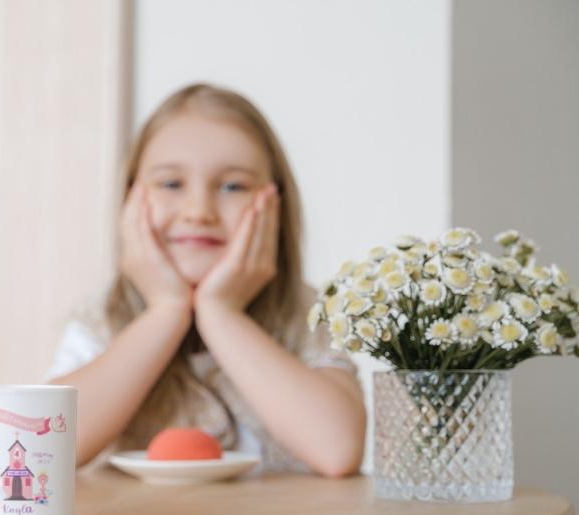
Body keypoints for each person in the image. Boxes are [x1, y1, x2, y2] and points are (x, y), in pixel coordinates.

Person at [44, 83, 366, 477]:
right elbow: (43, 447)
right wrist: (166, 311)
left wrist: (221, 313)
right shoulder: (101, 321)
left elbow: (337, 449)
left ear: (275, 204)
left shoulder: (307, 316)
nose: (199, 211)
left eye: (233, 186)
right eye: (171, 184)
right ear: (131, 201)